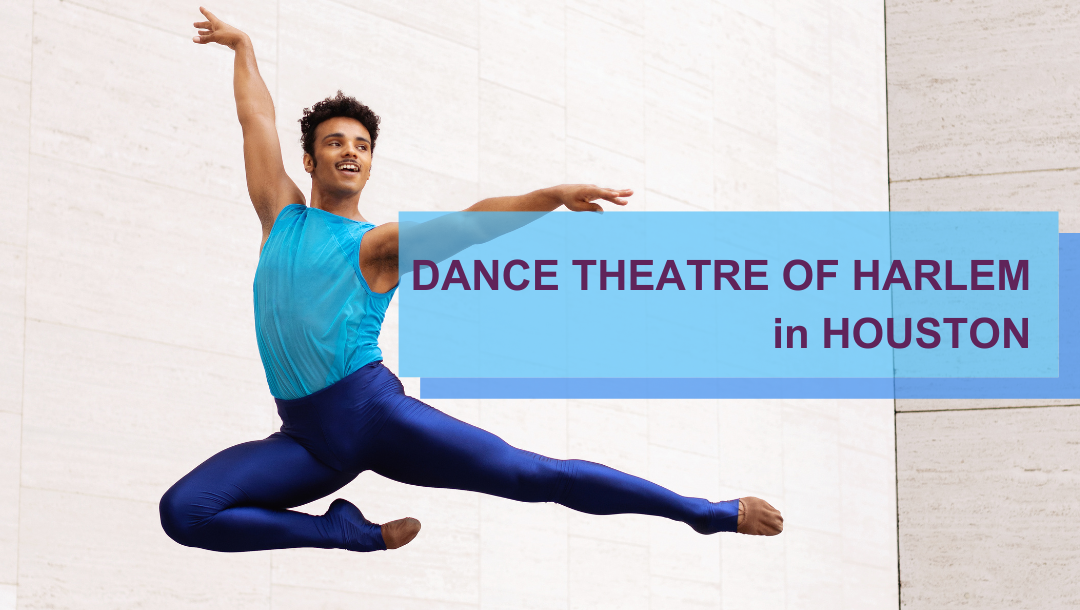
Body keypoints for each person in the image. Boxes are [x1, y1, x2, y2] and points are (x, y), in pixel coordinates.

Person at [159, 7, 784, 554]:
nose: (350, 151)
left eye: (362, 145)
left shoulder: (376, 246)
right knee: (184, 513)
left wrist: (550, 196)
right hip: (305, 441)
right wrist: (242, 48)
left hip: (375, 417)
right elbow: (256, 121)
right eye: (334, 143)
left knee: (536, 476)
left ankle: (710, 514)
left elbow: (469, 227)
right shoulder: (280, 214)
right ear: (309, 159)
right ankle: (347, 533)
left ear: (371, 162)